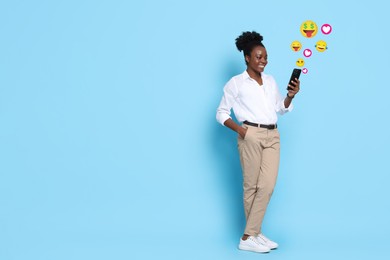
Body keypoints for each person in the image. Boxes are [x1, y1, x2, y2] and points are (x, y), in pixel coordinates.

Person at [216, 31, 300, 253]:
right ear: (247, 58)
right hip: (250, 134)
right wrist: (242, 131)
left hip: (273, 135)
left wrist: (290, 95)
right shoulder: (236, 83)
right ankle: (252, 235)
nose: (263, 61)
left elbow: (279, 109)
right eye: (258, 57)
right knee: (251, 187)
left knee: (267, 185)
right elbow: (221, 113)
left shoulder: (270, 81)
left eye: (265, 57)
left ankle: (250, 235)